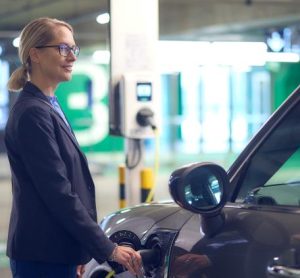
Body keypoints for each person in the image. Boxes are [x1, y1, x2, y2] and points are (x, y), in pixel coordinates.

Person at [5, 17, 142, 278]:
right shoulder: (32, 113)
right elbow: (58, 191)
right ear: (35, 54)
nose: (72, 57)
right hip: (42, 256)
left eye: (73, 49)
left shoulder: (49, 105)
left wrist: (79, 251)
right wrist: (107, 249)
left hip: (57, 251)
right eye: (63, 48)